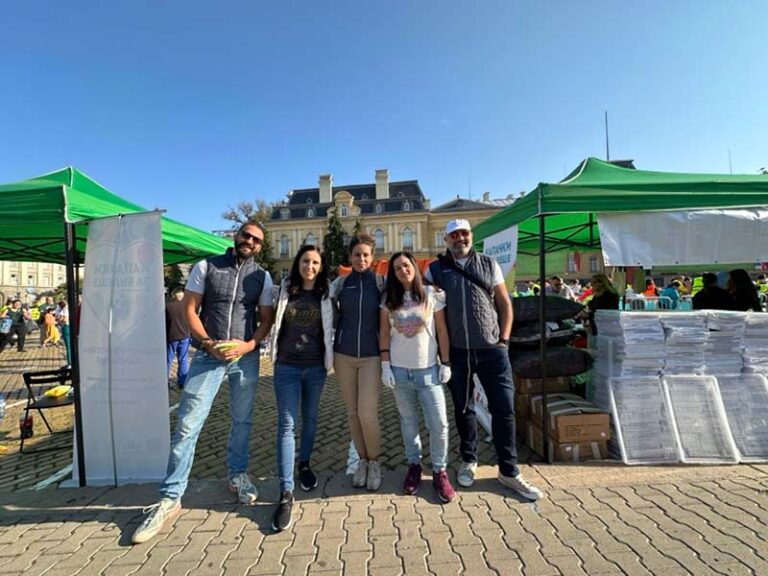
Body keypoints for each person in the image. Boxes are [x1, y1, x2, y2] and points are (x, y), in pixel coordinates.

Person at [131, 221, 274, 545]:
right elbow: (190, 308)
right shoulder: (207, 266)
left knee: (242, 421)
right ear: (237, 236)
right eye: (246, 235)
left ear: (260, 246)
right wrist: (208, 343)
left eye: (256, 240)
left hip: (244, 358)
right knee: (187, 424)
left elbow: (265, 319)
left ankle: (237, 475)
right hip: (209, 355)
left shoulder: (261, 277)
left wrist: (249, 346)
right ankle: (171, 497)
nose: (249, 241)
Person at [424, 219, 541, 501]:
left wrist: (504, 340)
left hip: (492, 349)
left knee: (503, 408)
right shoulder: (435, 269)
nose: (459, 238)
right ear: (446, 240)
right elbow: (422, 305)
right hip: (458, 353)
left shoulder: (489, 264)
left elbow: (504, 303)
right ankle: (469, 459)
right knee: (464, 409)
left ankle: (509, 470)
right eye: (453, 235)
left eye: (463, 233)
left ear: (471, 236)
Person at [379, 251, 456, 502]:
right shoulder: (388, 299)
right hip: (400, 372)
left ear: (414, 266)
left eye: (406, 265)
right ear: (393, 273)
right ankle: (414, 466)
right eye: (397, 268)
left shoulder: (432, 295)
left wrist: (445, 362)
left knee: (439, 424)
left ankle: (439, 470)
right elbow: (383, 333)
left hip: (428, 372)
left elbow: (442, 330)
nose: (403, 270)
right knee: (408, 422)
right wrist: (385, 365)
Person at [269, 245, 333, 532]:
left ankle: (304, 464)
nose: (310, 266)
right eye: (306, 261)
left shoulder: (327, 294)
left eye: (315, 262)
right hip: (286, 367)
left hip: (316, 368)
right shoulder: (284, 290)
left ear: (320, 267)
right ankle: (285, 491)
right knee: (286, 424)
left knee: (311, 419)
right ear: (298, 263)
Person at [332, 233, 384, 491]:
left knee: (367, 413)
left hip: (372, 357)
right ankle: (362, 461)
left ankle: (374, 462)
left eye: (366, 255)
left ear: (372, 258)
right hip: (343, 355)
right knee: (352, 413)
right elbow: (323, 307)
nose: (361, 259)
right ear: (350, 257)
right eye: (356, 254)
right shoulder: (341, 284)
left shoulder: (381, 282)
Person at [165, 287, 191, 389]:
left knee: (168, 360)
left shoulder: (167, 306)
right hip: (185, 336)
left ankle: (165, 382)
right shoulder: (187, 306)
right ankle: (182, 382)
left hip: (171, 336)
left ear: (173, 295)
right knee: (183, 360)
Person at [54, 300, 71, 365]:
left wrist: (58, 321)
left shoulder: (65, 309)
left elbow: (65, 319)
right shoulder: (68, 308)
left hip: (66, 326)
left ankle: (69, 363)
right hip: (70, 326)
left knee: (68, 347)